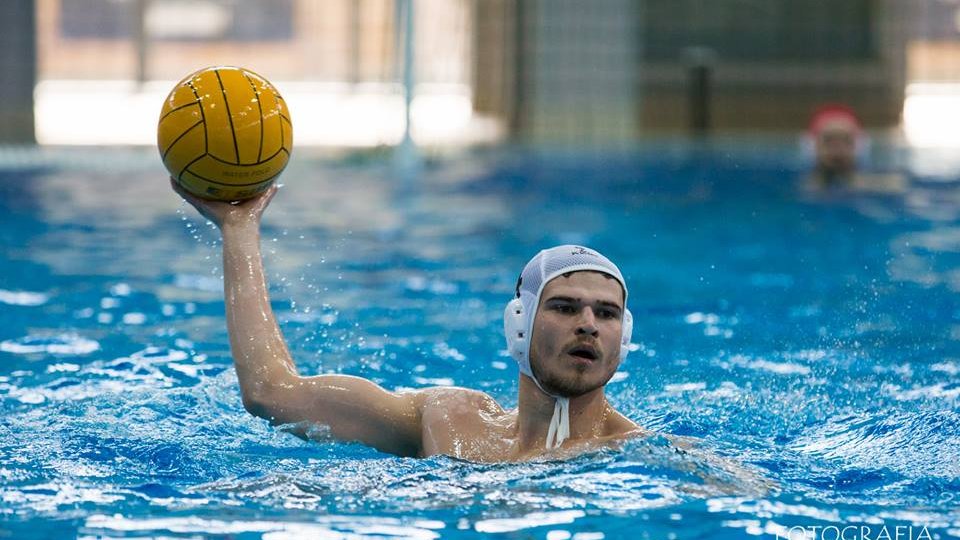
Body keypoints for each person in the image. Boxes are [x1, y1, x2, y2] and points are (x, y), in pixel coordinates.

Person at [171, 179, 643, 462]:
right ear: (519, 325)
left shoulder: (636, 455)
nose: (589, 324)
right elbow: (270, 393)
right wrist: (239, 229)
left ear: (623, 338)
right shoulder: (446, 419)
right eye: (564, 307)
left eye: (607, 313)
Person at [804, 104, 906, 195]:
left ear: (859, 146)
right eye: (829, 140)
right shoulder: (800, 184)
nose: (838, 148)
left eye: (846, 140)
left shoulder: (880, 183)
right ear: (814, 147)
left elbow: (900, 184)